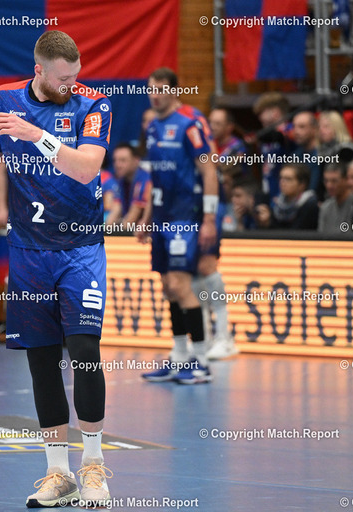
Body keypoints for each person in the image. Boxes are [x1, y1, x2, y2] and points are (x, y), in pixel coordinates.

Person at [0, 31, 113, 508]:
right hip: (29, 252)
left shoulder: (93, 104)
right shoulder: (2, 100)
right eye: (62, 79)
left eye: (75, 76)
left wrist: (36, 135)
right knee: (41, 360)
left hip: (80, 249)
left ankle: (94, 466)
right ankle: (58, 474)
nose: (71, 85)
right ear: (39, 71)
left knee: (84, 351)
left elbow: (87, 169)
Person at [136, 67, 219, 382]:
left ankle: (201, 361)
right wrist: (146, 218)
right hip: (161, 216)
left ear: (173, 91)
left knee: (182, 285)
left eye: (161, 89)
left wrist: (208, 218)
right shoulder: (152, 127)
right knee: (169, 288)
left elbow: (209, 171)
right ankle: (179, 357)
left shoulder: (189, 124)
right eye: (151, 89)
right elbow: (155, 179)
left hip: (186, 215)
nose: (155, 95)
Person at [252, 92, 296, 201]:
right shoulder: (265, 138)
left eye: (262, 112)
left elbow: (282, 137)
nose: (259, 118)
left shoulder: (291, 130)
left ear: (275, 112)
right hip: (269, 190)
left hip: (286, 193)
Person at [255, 163, 319, 230]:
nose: (282, 182)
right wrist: (266, 223)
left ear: (302, 184)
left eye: (288, 179)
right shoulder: (278, 204)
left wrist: (271, 223)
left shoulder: (310, 205)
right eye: (281, 178)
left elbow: (295, 233)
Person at [105, 143, 150, 227]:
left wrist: (118, 232)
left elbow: (133, 215)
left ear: (136, 160)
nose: (117, 165)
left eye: (123, 160)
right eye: (115, 160)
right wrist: (105, 231)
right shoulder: (121, 180)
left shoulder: (145, 179)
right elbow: (116, 209)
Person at [318, 162, 353, 234]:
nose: (329, 186)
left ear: (346, 180)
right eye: (326, 181)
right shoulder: (325, 207)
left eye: (334, 181)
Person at [291, 111, 322, 199]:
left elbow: (313, 190)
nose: (296, 131)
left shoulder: (322, 156)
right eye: (294, 126)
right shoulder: (294, 156)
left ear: (314, 129)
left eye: (302, 127)